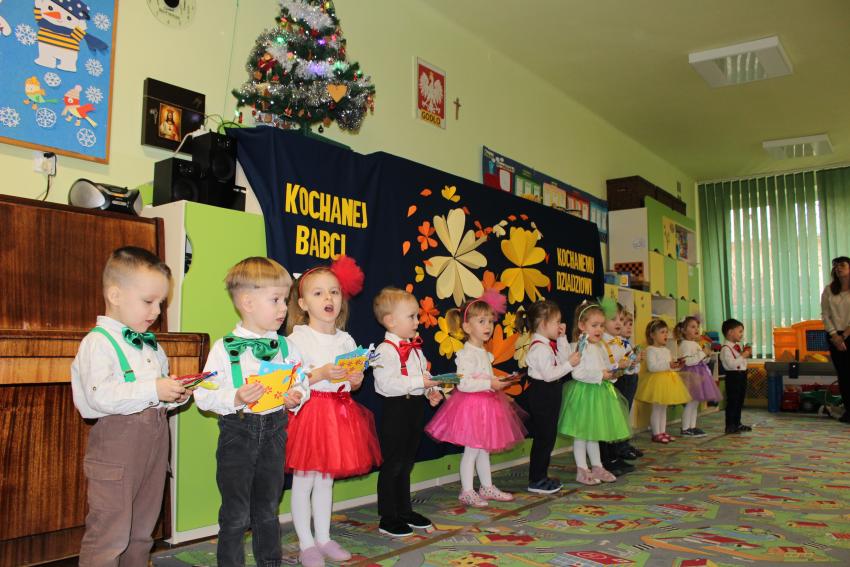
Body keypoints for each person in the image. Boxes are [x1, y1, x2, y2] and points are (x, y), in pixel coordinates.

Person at [71, 247, 190, 566]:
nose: (157, 311)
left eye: (161, 303)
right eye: (149, 301)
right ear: (115, 295)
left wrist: (173, 394)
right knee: (110, 532)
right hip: (116, 450)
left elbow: (153, 395)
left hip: (153, 448)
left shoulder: (151, 345)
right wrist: (154, 389)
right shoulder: (98, 342)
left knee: (142, 531)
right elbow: (98, 398)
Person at [194, 257, 308, 566]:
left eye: (285, 299)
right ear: (247, 303)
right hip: (238, 433)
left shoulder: (287, 347)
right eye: (276, 300)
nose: (284, 308)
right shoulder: (224, 348)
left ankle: (270, 562)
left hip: (275, 431)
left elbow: (302, 380)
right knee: (235, 513)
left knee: (268, 508)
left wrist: (297, 395)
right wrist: (235, 396)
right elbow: (203, 395)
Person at [285, 256, 382, 567]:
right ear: (303, 303)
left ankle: (324, 538)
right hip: (309, 413)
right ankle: (306, 543)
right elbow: (292, 379)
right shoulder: (297, 338)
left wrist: (355, 380)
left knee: (326, 480)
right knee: (304, 480)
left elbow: (353, 383)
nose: (328, 298)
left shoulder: (346, 339)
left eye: (334, 292)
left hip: (338, 414)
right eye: (318, 293)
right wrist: (322, 373)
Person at [425, 296, 527, 508]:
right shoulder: (465, 354)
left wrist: (499, 382)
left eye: (490, 321)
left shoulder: (485, 353)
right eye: (481, 321)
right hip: (471, 407)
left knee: (484, 449)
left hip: (488, 406)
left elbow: (485, 378)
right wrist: (490, 383)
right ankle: (467, 491)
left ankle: (486, 487)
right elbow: (463, 384)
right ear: (467, 327)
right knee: (472, 450)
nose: (488, 326)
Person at [372, 287, 443, 537]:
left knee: (406, 463)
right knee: (392, 464)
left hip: (414, 408)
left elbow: (423, 376)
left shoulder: (415, 348)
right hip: (396, 410)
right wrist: (418, 382)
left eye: (417, 316)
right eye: (412, 316)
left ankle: (404, 510)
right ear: (391, 321)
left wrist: (430, 391)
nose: (417, 321)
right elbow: (385, 385)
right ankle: (388, 516)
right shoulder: (384, 350)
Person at [558, 302, 631, 485]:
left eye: (601, 325)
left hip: (599, 393)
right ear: (582, 325)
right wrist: (601, 375)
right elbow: (577, 373)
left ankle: (597, 466)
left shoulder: (598, 346)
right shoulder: (578, 346)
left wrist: (613, 372)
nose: (599, 329)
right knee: (581, 434)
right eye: (594, 325)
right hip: (583, 394)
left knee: (594, 433)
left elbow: (603, 367)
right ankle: (582, 469)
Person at [519, 299, 581, 494]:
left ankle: (541, 476)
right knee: (544, 438)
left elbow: (562, 360)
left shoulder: (548, 345)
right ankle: (536, 480)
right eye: (557, 322)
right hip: (543, 393)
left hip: (550, 392)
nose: (560, 325)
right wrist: (569, 364)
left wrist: (562, 339)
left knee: (548, 437)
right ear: (543, 324)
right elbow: (549, 375)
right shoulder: (540, 348)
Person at [635, 319, 691, 443]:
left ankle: (663, 431)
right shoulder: (650, 350)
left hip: (668, 380)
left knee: (663, 408)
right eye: (662, 332)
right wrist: (668, 364)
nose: (666, 335)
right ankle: (656, 433)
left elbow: (670, 366)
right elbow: (652, 367)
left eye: (666, 332)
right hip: (657, 382)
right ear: (652, 335)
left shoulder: (667, 350)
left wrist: (677, 365)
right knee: (657, 408)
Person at [598, 303, 636, 476]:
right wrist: (618, 365)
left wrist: (630, 363)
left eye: (621, 319)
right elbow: (604, 366)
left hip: (615, 384)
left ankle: (614, 456)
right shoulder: (600, 342)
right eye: (613, 319)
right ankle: (606, 460)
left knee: (614, 423)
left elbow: (625, 368)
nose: (619, 323)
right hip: (605, 386)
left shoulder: (620, 342)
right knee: (605, 425)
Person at [675, 316, 722, 437]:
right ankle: (685, 428)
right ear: (683, 330)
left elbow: (700, 361)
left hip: (699, 375)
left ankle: (692, 426)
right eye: (692, 327)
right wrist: (702, 353)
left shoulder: (694, 343)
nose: (696, 329)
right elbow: (688, 362)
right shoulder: (685, 344)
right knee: (690, 403)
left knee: (695, 403)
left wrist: (706, 356)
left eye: (697, 327)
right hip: (690, 376)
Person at [822, 256, 850, 422]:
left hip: (848, 333)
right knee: (844, 375)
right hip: (834, 336)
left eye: (842, 265)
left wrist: (844, 336)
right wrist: (835, 336)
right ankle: (848, 411)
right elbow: (825, 314)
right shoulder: (829, 290)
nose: (838, 268)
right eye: (836, 266)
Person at [615, 310, 644, 460]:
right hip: (622, 380)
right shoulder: (616, 343)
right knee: (621, 414)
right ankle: (620, 447)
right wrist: (632, 361)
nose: (628, 327)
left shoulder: (626, 342)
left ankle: (625, 443)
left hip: (631, 379)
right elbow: (621, 364)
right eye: (624, 323)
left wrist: (636, 361)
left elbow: (631, 366)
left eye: (630, 324)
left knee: (626, 413)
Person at [719, 318, 752, 434]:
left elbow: (742, 363)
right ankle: (730, 426)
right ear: (730, 332)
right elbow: (731, 365)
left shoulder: (736, 347)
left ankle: (737, 423)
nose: (741, 334)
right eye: (740, 331)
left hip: (741, 375)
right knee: (733, 401)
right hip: (733, 377)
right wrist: (743, 356)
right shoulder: (725, 349)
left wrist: (744, 355)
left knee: (739, 401)